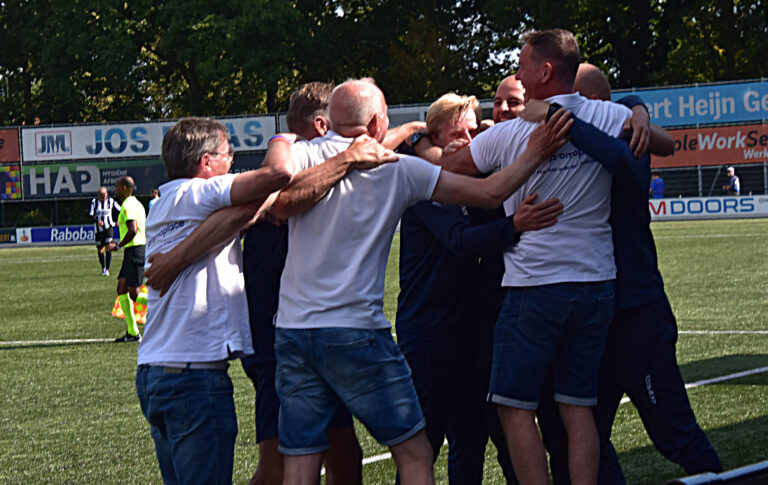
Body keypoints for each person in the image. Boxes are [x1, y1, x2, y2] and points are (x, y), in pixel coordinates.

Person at [264, 78, 570, 484]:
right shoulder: (400, 170)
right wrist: (536, 151)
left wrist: (411, 133)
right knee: (414, 452)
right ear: (376, 122)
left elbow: (279, 201)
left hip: (292, 332)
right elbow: (492, 192)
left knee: (302, 460)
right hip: (357, 332)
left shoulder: (302, 154)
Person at [416, 29, 634, 485]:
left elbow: (443, 173)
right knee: (578, 410)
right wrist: (644, 114)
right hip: (596, 284)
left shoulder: (510, 134)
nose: (516, 73)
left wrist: (431, 148)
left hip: (533, 288)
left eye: (521, 65)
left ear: (545, 70)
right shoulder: (612, 117)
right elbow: (647, 135)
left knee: (515, 409)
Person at [566, 62, 722, 484]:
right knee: (585, 442)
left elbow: (623, 134)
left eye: (574, 100)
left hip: (636, 316)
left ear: (595, 105)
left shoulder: (629, 141)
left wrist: (633, 108)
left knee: (675, 436)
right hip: (595, 320)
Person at [396, 92, 563, 484]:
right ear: (436, 139)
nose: (468, 140)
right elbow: (461, 241)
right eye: (457, 132)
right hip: (431, 333)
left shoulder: (483, 174)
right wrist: (515, 225)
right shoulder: (424, 181)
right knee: (424, 445)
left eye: (474, 130)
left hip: (476, 331)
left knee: (473, 440)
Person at [135, 117, 293, 485]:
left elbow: (236, 217)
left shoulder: (162, 203)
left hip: (156, 372)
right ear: (206, 163)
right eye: (227, 154)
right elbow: (279, 173)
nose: (232, 161)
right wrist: (283, 137)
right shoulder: (199, 193)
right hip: (194, 377)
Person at [240, 81, 365, 485]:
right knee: (278, 468)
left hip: (310, 344)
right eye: (346, 125)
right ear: (321, 125)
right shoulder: (280, 184)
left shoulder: (308, 180)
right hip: (278, 349)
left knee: (345, 458)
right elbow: (286, 193)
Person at [106, 176, 147, 342]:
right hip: (133, 251)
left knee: (135, 293)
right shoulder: (137, 203)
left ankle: (167, 305)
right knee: (121, 287)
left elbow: (133, 229)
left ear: (124, 187)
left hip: (135, 251)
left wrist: (119, 245)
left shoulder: (128, 204)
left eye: (117, 186)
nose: (115, 189)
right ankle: (133, 332)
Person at [89, 186, 120, 276]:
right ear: (98, 195)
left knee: (108, 247)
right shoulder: (94, 202)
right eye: (101, 195)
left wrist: (118, 220)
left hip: (108, 228)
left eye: (104, 194)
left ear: (107, 194)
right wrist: (97, 221)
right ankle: (103, 267)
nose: (103, 196)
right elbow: (91, 215)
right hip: (98, 230)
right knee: (100, 249)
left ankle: (107, 269)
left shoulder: (111, 201)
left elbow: (121, 210)